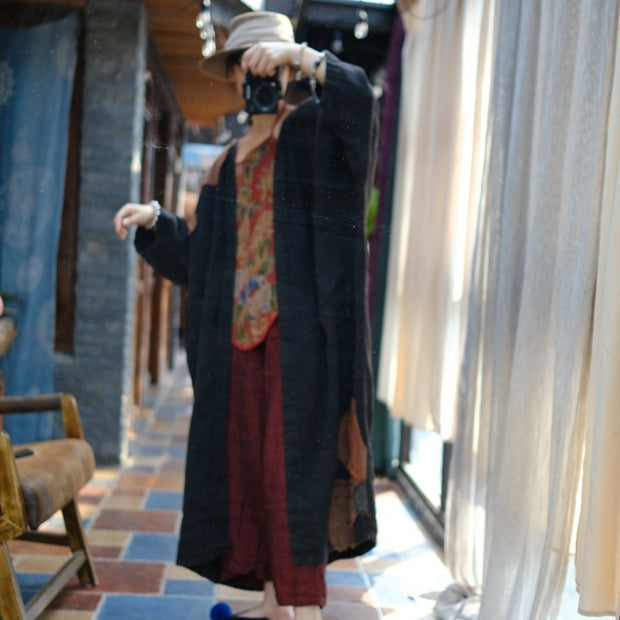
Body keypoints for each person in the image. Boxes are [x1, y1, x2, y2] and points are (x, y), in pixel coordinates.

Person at [113, 11, 377, 620]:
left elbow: (360, 104)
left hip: (299, 341)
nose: (260, 79)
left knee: (294, 472)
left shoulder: (314, 133)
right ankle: (273, 603)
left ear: (285, 73)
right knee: (252, 469)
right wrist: (155, 222)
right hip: (235, 343)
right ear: (234, 76)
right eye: (249, 67)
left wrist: (303, 58)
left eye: (270, 67)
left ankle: (305, 609)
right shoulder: (225, 164)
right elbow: (198, 261)